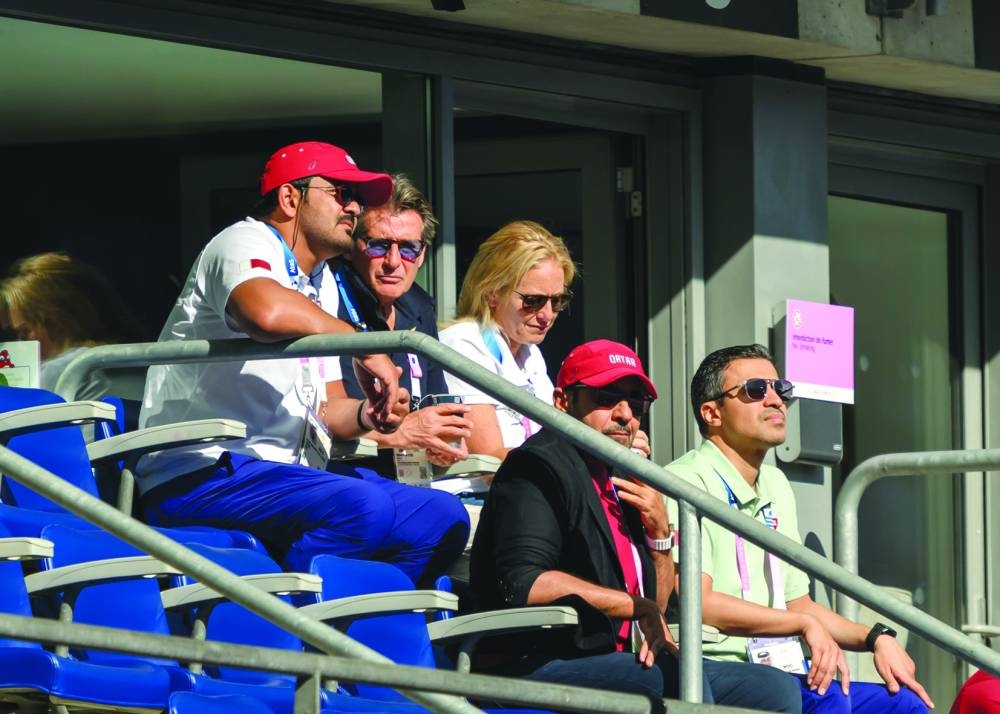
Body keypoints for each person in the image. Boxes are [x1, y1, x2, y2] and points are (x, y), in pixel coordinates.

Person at [137, 141, 468, 585]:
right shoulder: (243, 239)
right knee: (363, 508)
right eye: (340, 192)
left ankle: (360, 627)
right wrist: (363, 346)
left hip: (284, 474)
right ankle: (290, 624)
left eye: (357, 197)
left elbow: (329, 409)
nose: (353, 206)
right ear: (290, 198)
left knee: (440, 515)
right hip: (202, 470)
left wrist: (372, 413)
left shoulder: (322, 280)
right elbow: (264, 313)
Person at [468, 339, 801, 711]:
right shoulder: (538, 465)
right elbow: (524, 582)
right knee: (675, 680)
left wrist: (660, 537)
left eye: (636, 403)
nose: (625, 414)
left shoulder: (624, 476)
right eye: (606, 398)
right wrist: (634, 606)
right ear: (563, 402)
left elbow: (655, 607)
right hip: (535, 661)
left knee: (773, 690)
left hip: (616, 656)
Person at [667, 343, 933, 713]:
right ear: (712, 412)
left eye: (781, 390)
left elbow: (800, 603)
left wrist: (875, 637)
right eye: (756, 390)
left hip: (781, 666)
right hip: (712, 665)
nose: (775, 400)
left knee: (903, 703)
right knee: (828, 696)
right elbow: (702, 603)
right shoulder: (683, 480)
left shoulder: (775, 484)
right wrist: (801, 624)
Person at [329, 174, 473, 475]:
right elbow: (319, 420)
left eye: (408, 248)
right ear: (350, 246)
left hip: (411, 476)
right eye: (379, 245)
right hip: (343, 474)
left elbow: (436, 406)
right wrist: (403, 431)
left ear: (421, 256)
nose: (394, 261)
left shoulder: (419, 308)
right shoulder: (327, 301)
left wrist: (443, 440)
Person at [439, 221, 574, 460]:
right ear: (492, 294)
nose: (547, 315)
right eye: (533, 300)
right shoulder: (463, 343)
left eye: (557, 301)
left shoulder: (529, 352)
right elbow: (491, 460)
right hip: (479, 494)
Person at [0, 252, 147, 399]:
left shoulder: (58, 372)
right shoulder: (149, 364)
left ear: (57, 321)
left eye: (25, 333)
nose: (20, 344)